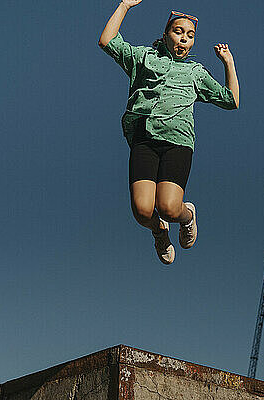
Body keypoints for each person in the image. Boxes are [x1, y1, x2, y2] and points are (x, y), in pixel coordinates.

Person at [98, 0, 240, 265]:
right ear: (165, 35)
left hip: (178, 142)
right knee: (142, 211)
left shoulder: (195, 72)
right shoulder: (143, 58)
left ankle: (187, 216)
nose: (183, 39)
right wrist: (125, 5)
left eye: (190, 35)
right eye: (178, 32)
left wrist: (228, 62)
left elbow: (231, 100)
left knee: (169, 207)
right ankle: (159, 231)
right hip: (144, 139)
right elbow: (107, 41)